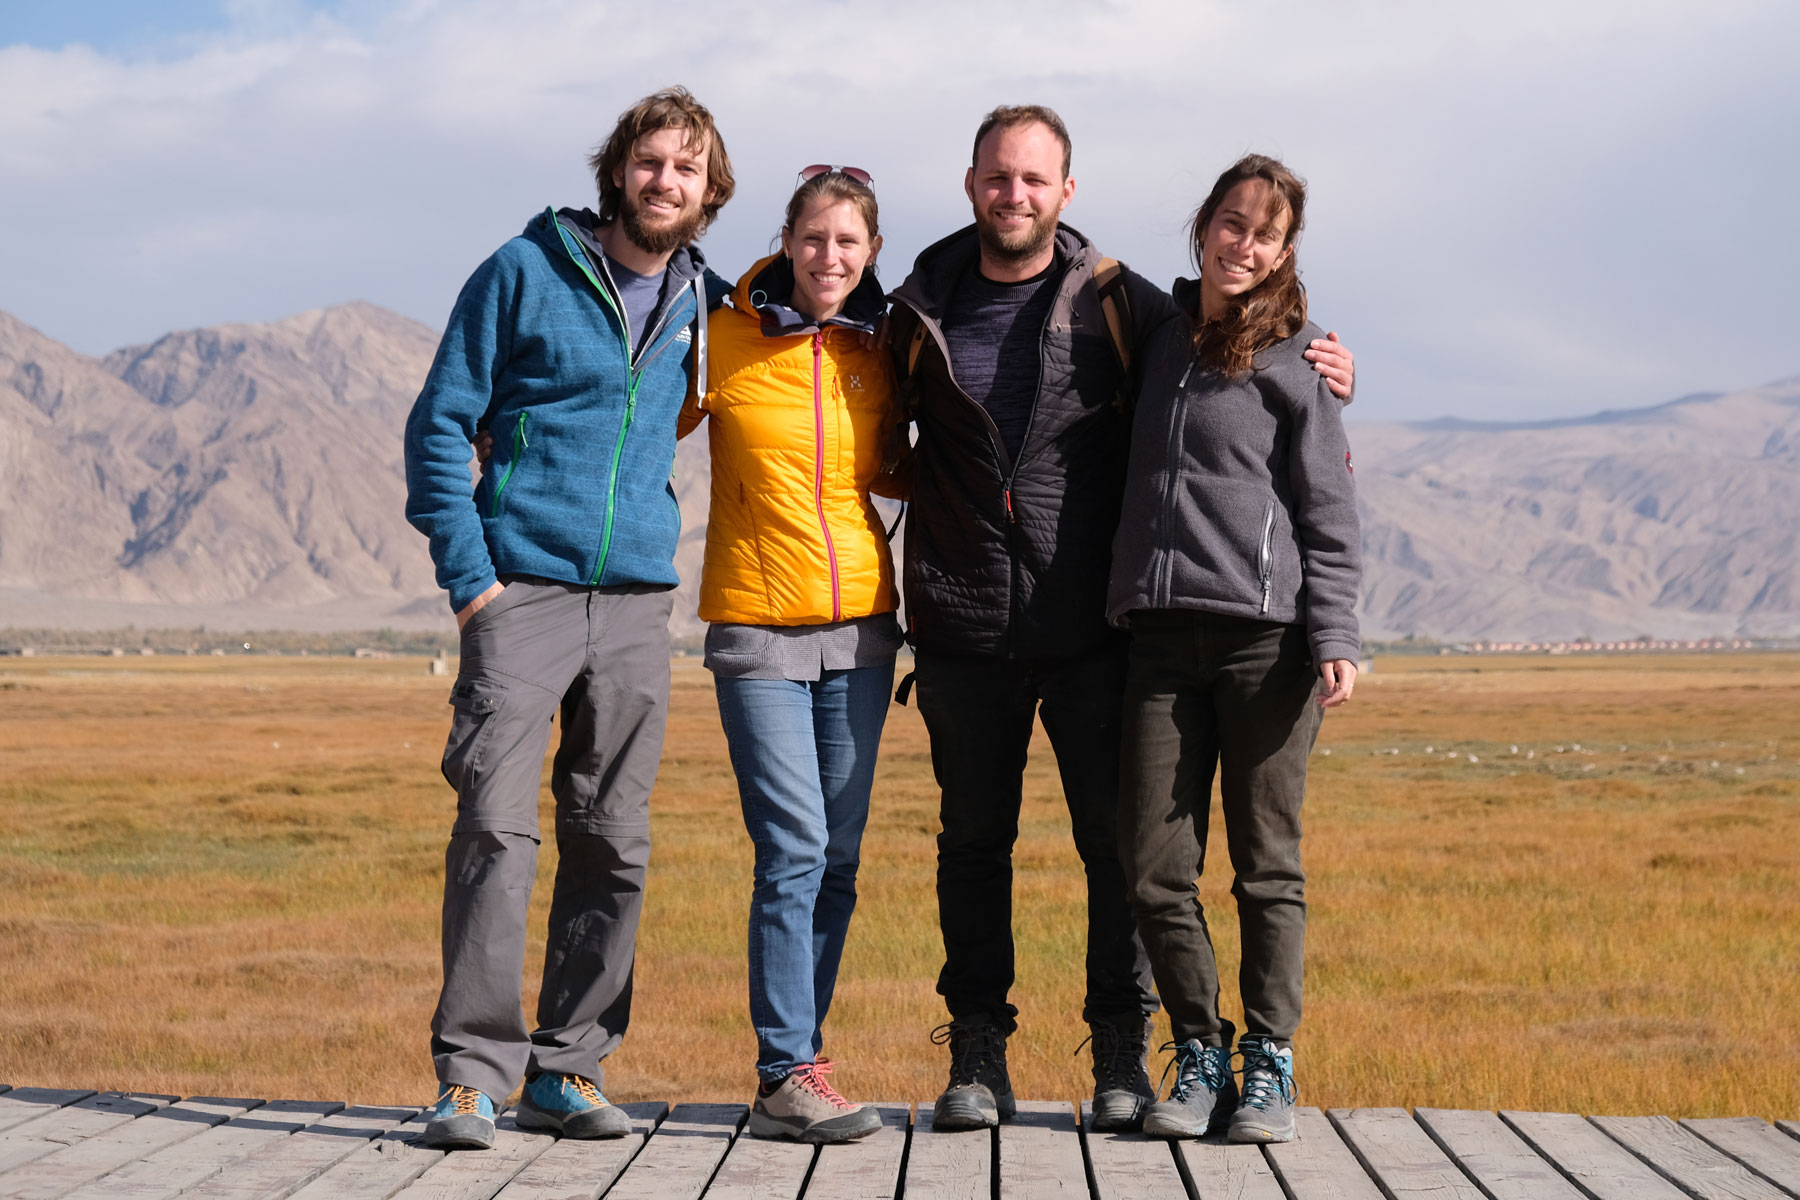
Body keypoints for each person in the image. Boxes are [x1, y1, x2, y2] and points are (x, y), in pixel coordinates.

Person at [886, 105, 1355, 1132]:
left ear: (1067, 192)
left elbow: (1268, 400)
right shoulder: (918, 308)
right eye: (999, 178)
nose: (1015, 194)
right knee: (974, 846)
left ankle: (1123, 1058)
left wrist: (1331, 369)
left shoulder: (1122, 305)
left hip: (1096, 628)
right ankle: (978, 1054)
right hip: (966, 623)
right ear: (972, 185)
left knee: (1122, 852)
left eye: (1035, 179)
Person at [401, 87, 733, 1151]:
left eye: (687, 168)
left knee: (614, 843)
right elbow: (439, 425)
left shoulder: (705, 301)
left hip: (637, 603)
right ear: (619, 169)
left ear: (708, 191)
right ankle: (472, 1077)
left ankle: (569, 1066)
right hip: (523, 593)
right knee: (496, 833)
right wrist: (474, 583)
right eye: (650, 161)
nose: (665, 181)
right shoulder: (522, 270)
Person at [1109, 154, 1361, 1145]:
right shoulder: (1155, 339)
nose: (1243, 243)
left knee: (1267, 866)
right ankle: (1201, 1050)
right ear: (1203, 226)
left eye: (1265, 231)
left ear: (1284, 249)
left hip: (1268, 645)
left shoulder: (1301, 362)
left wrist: (1335, 633)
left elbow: (1329, 510)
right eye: (1231, 221)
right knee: (1155, 865)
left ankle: (1269, 1065)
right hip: (1159, 640)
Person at [677, 166, 901, 1143]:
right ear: (786, 239)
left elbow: (930, 456)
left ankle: (800, 1060)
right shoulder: (721, 335)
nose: (829, 258)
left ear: (872, 252)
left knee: (839, 861)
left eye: (848, 242)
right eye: (814, 238)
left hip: (862, 627)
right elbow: (634, 419)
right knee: (795, 850)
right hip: (757, 625)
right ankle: (785, 1069)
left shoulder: (883, 347)